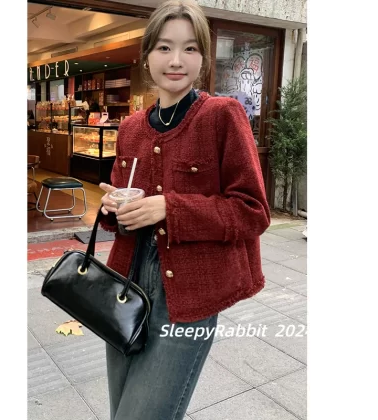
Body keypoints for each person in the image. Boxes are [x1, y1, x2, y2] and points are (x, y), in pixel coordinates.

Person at [98, 1, 270, 419]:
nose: (176, 60)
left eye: (190, 48)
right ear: (146, 57)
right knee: (121, 409)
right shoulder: (131, 127)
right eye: (164, 47)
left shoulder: (222, 116)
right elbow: (121, 207)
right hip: (125, 286)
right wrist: (111, 208)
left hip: (188, 295)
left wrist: (169, 208)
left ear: (203, 58)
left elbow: (252, 211)